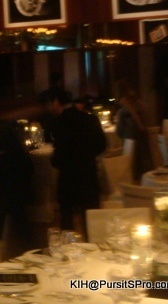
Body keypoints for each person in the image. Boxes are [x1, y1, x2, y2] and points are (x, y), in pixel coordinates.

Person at [45, 89, 107, 231]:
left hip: (68, 177)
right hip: (88, 174)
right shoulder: (90, 119)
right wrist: (87, 156)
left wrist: (56, 160)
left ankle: (68, 243)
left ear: (56, 102)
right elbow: (102, 145)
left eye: (50, 103)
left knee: (67, 219)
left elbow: (58, 155)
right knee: (91, 219)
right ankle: (93, 242)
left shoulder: (57, 122)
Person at [114, 79, 154, 180]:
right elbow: (143, 108)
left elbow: (133, 113)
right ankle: (140, 172)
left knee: (133, 149)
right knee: (140, 150)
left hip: (130, 128)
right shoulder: (131, 97)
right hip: (133, 126)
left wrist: (140, 125)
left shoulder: (123, 100)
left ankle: (134, 172)